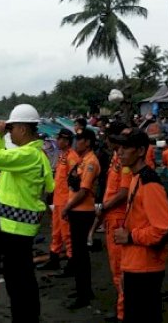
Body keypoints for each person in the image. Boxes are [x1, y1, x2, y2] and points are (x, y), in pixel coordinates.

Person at [0, 104, 54, 323]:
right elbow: (3, 162)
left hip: (16, 230)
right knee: (21, 280)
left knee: (19, 283)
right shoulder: (35, 155)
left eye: (11, 128)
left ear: (23, 128)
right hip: (20, 228)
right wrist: (1, 138)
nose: (9, 133)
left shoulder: (28, 154)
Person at [111, 128, 168, 323]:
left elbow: (164, 229)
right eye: (119, 147)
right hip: (135, 265)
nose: (119, 152)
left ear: (140, 151)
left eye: (125, 147)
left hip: (145, 269)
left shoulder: (149, 183)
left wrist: (130, 236)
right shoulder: (136, 178)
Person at [61, 128, 100, 309]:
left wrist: (67, 207)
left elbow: (84, 191)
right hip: (77, 210)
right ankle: (83, 289)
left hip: (82, 211)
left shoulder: (91, 162)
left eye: (80, 140)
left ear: (88, 142)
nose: (76, 143)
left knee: (80, 254)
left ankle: (83, 294)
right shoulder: (83, 160)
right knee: (78, 253)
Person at [96, 122, 130, 323]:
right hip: (111, 215)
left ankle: (123, 313)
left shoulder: (124, 160)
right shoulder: (117, 157)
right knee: (115, 267)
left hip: (118, 216)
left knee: (120, 268)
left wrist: (105, 206)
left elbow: (123, 192)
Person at [38, 129, 78, 271]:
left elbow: (75, 183)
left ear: (66, 141)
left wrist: (69, 204)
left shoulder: (72, 158)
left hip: (65, 201)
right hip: (58, 200)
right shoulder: (63, 155)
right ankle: (54, 258)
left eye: (60, 139)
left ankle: (72, 262)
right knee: (56, 232)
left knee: (67, 233)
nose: (57, 141)